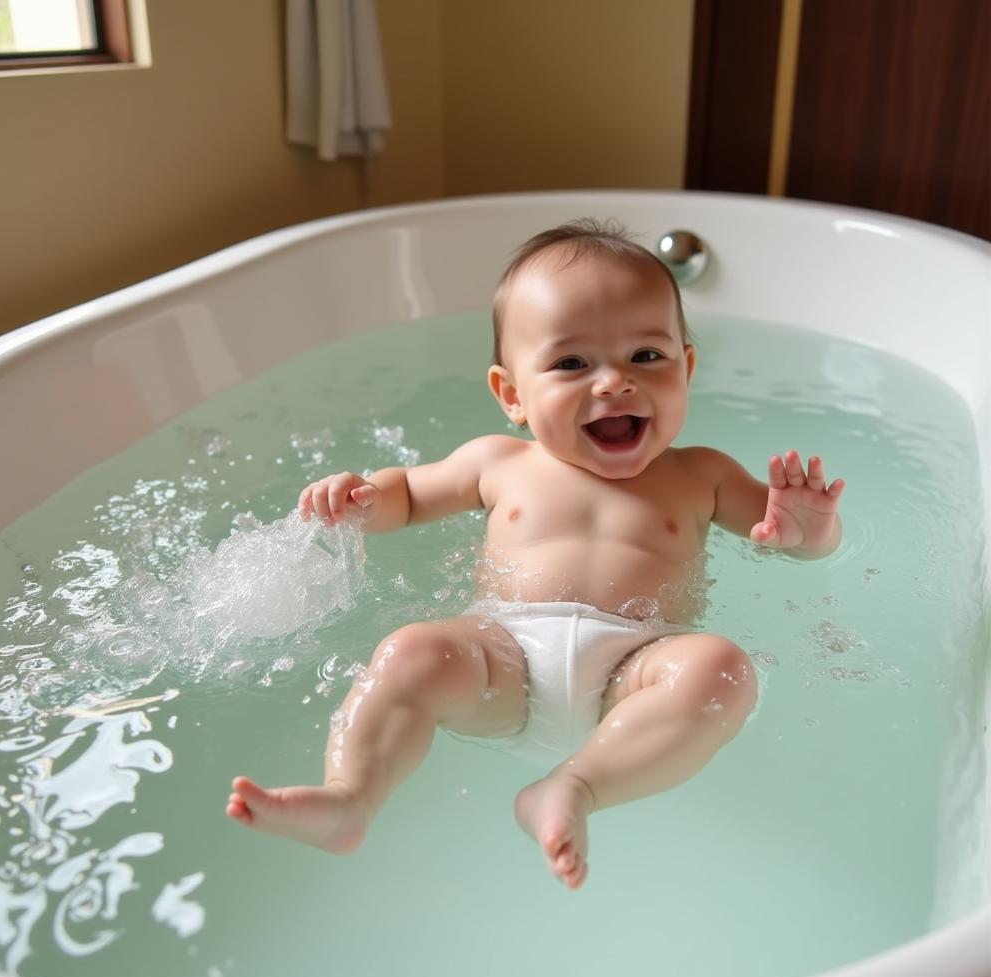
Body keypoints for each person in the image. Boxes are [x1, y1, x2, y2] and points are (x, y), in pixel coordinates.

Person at [226, 219, 844, 890]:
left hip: (636, 672)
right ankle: (351, 798)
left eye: (647, 356)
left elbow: (794, 541)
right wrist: (363, 499)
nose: (615, 384)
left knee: (719, 670)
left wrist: (808, 529)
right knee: (410, 653)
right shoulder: (498, 462)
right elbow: (406, 493)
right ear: (513, 395)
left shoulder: (703, 475)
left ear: (686, 368)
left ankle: (573, 787)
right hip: (502, 660)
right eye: (572, 364)